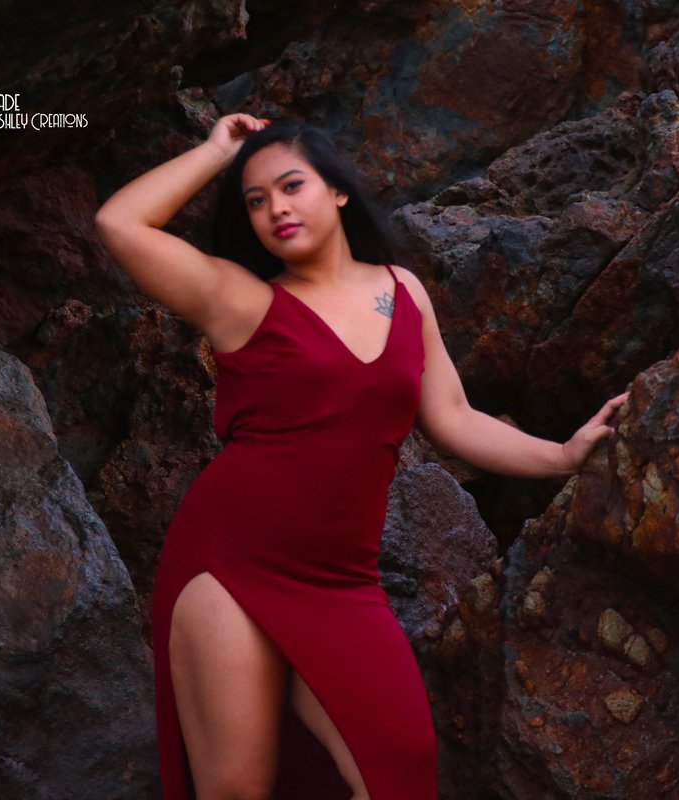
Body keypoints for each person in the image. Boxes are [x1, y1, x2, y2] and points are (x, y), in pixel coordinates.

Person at [94, 113, 629, 800]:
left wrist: (561, 455)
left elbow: (454, 418)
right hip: (229, 560)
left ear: (339, 191)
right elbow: (121, 225)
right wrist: (215, 150)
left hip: (342, 579)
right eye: (255, 201)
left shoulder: (404, 292)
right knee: (236, 785)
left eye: (291, 186)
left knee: (400, 767)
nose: (276, 208)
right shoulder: (241, 301)